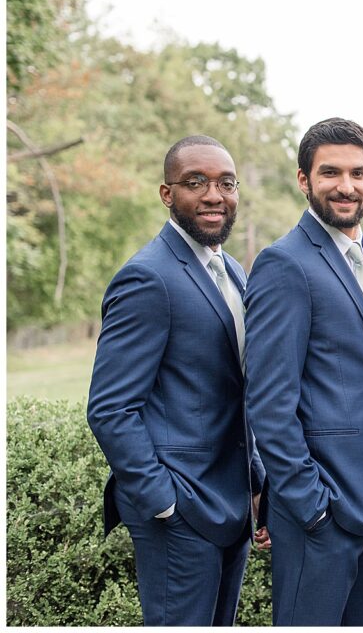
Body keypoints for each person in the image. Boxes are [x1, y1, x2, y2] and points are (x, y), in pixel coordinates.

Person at [244, 117, 363, 626]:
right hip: (323, 510)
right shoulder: (285, 264)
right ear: (304, 181)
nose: (346, 186)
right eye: (330, 173)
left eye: (358, 173)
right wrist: (309, 504)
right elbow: (269, 401)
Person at [87, 135, 267, 626]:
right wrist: (162, 502)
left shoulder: (231, 270)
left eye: (225, 183)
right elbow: (109, 409)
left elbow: (235, 389)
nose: (214, 195)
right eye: (196, 183)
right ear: (167, 194)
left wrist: (255, 481)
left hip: (231, 503)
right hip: (180, 511)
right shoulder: (147, 278)